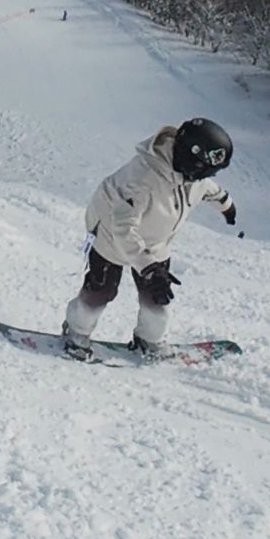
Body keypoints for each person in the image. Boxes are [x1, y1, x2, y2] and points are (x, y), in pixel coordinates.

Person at [63, 118, 236, 360]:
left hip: (155, 242)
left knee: (158, 298)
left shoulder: (191, 175)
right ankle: (76, 333)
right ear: (192, 158)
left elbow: (210, 189)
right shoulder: (142, 179)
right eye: (206, 169)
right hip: (111, 237)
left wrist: (227, 206)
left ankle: (149, 339)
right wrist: (149, 268)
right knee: (100, 292)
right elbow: (122, 227)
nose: (206, 176)